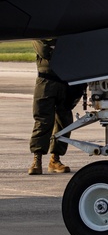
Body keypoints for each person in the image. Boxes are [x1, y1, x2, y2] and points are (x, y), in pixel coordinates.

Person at [28, 39, 81, 175]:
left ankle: (55, 159)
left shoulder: (65, 33)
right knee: (43, 120)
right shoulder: (39, 34)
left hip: (65, 81)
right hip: (46, 81)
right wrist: (62, 51)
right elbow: (44, 51)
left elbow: (74, 52)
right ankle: (37, 159)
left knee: (64, 120)